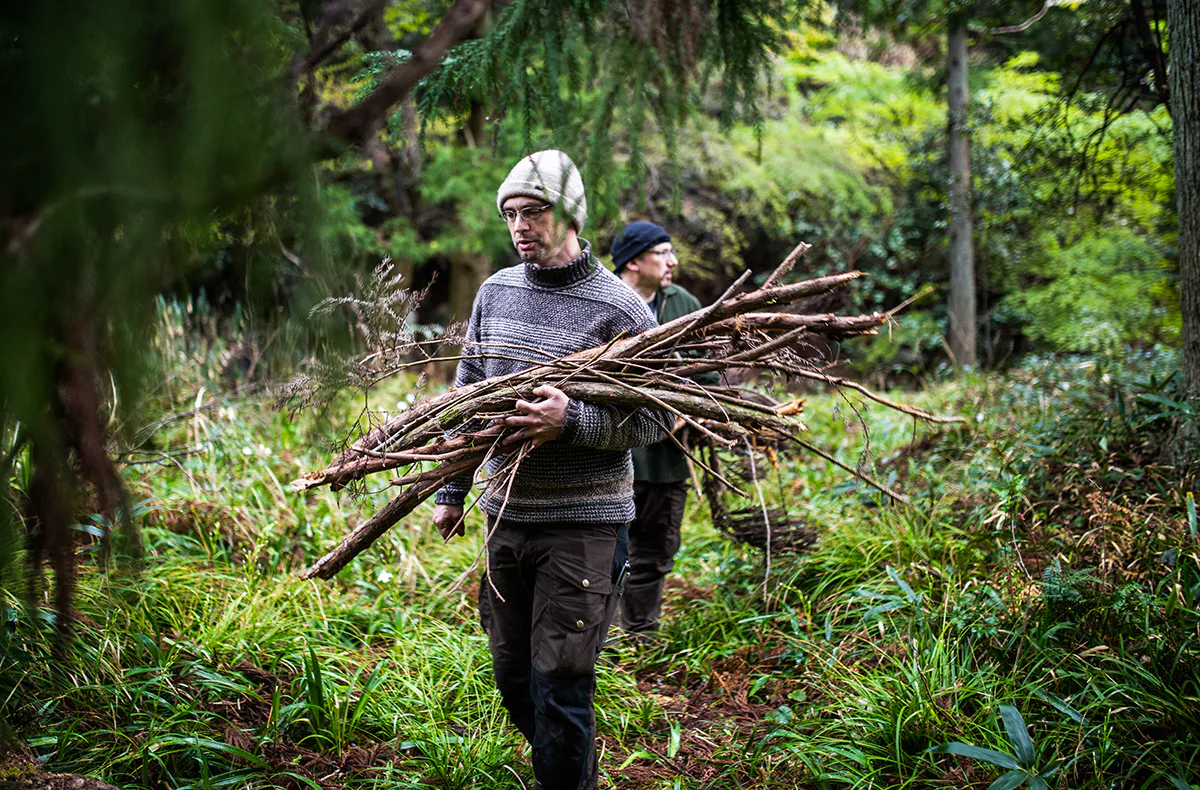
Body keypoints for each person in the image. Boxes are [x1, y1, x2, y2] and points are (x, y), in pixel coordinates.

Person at [432, 150, 668, 790]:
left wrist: (573, 422)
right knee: (512, 673)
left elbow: (655, 421)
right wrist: (453, 489)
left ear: (568, 212)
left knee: (560, 680)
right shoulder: (496, 293)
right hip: (507, 515)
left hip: (584, 525)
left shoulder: (621, 310)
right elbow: (468, 393)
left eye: (532, 211)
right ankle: (575, 775)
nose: (519, 226)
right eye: (510, 214)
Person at [610, 221, 718, 636]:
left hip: (667, 460)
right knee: (604, 552)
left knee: (655, 551)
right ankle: (601, 640)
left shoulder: (684, 303)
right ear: (634, 262)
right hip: (608, 458)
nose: (673, 261)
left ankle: (640, 634)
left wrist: (700, 409)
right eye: (662, 252)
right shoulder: (603, 299)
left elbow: (710, 373)